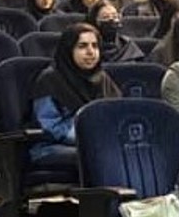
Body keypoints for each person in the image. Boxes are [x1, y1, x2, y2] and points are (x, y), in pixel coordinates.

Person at [31, 22, 118, 176]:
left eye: (95, 46)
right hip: (52, 146)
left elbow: (117, 115)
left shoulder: (103, 79)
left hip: (97, 143)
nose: (91, 52)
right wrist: (90, 137)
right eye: (82, 46)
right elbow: (50, 127)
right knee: (102, 155)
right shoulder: (50, 80)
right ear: (68, 49)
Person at [91, 1, 145, 66]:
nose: (111, 19)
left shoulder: (126, 44)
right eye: (105, 17)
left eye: (114, 16)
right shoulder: (89, 47)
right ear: (95, 21)